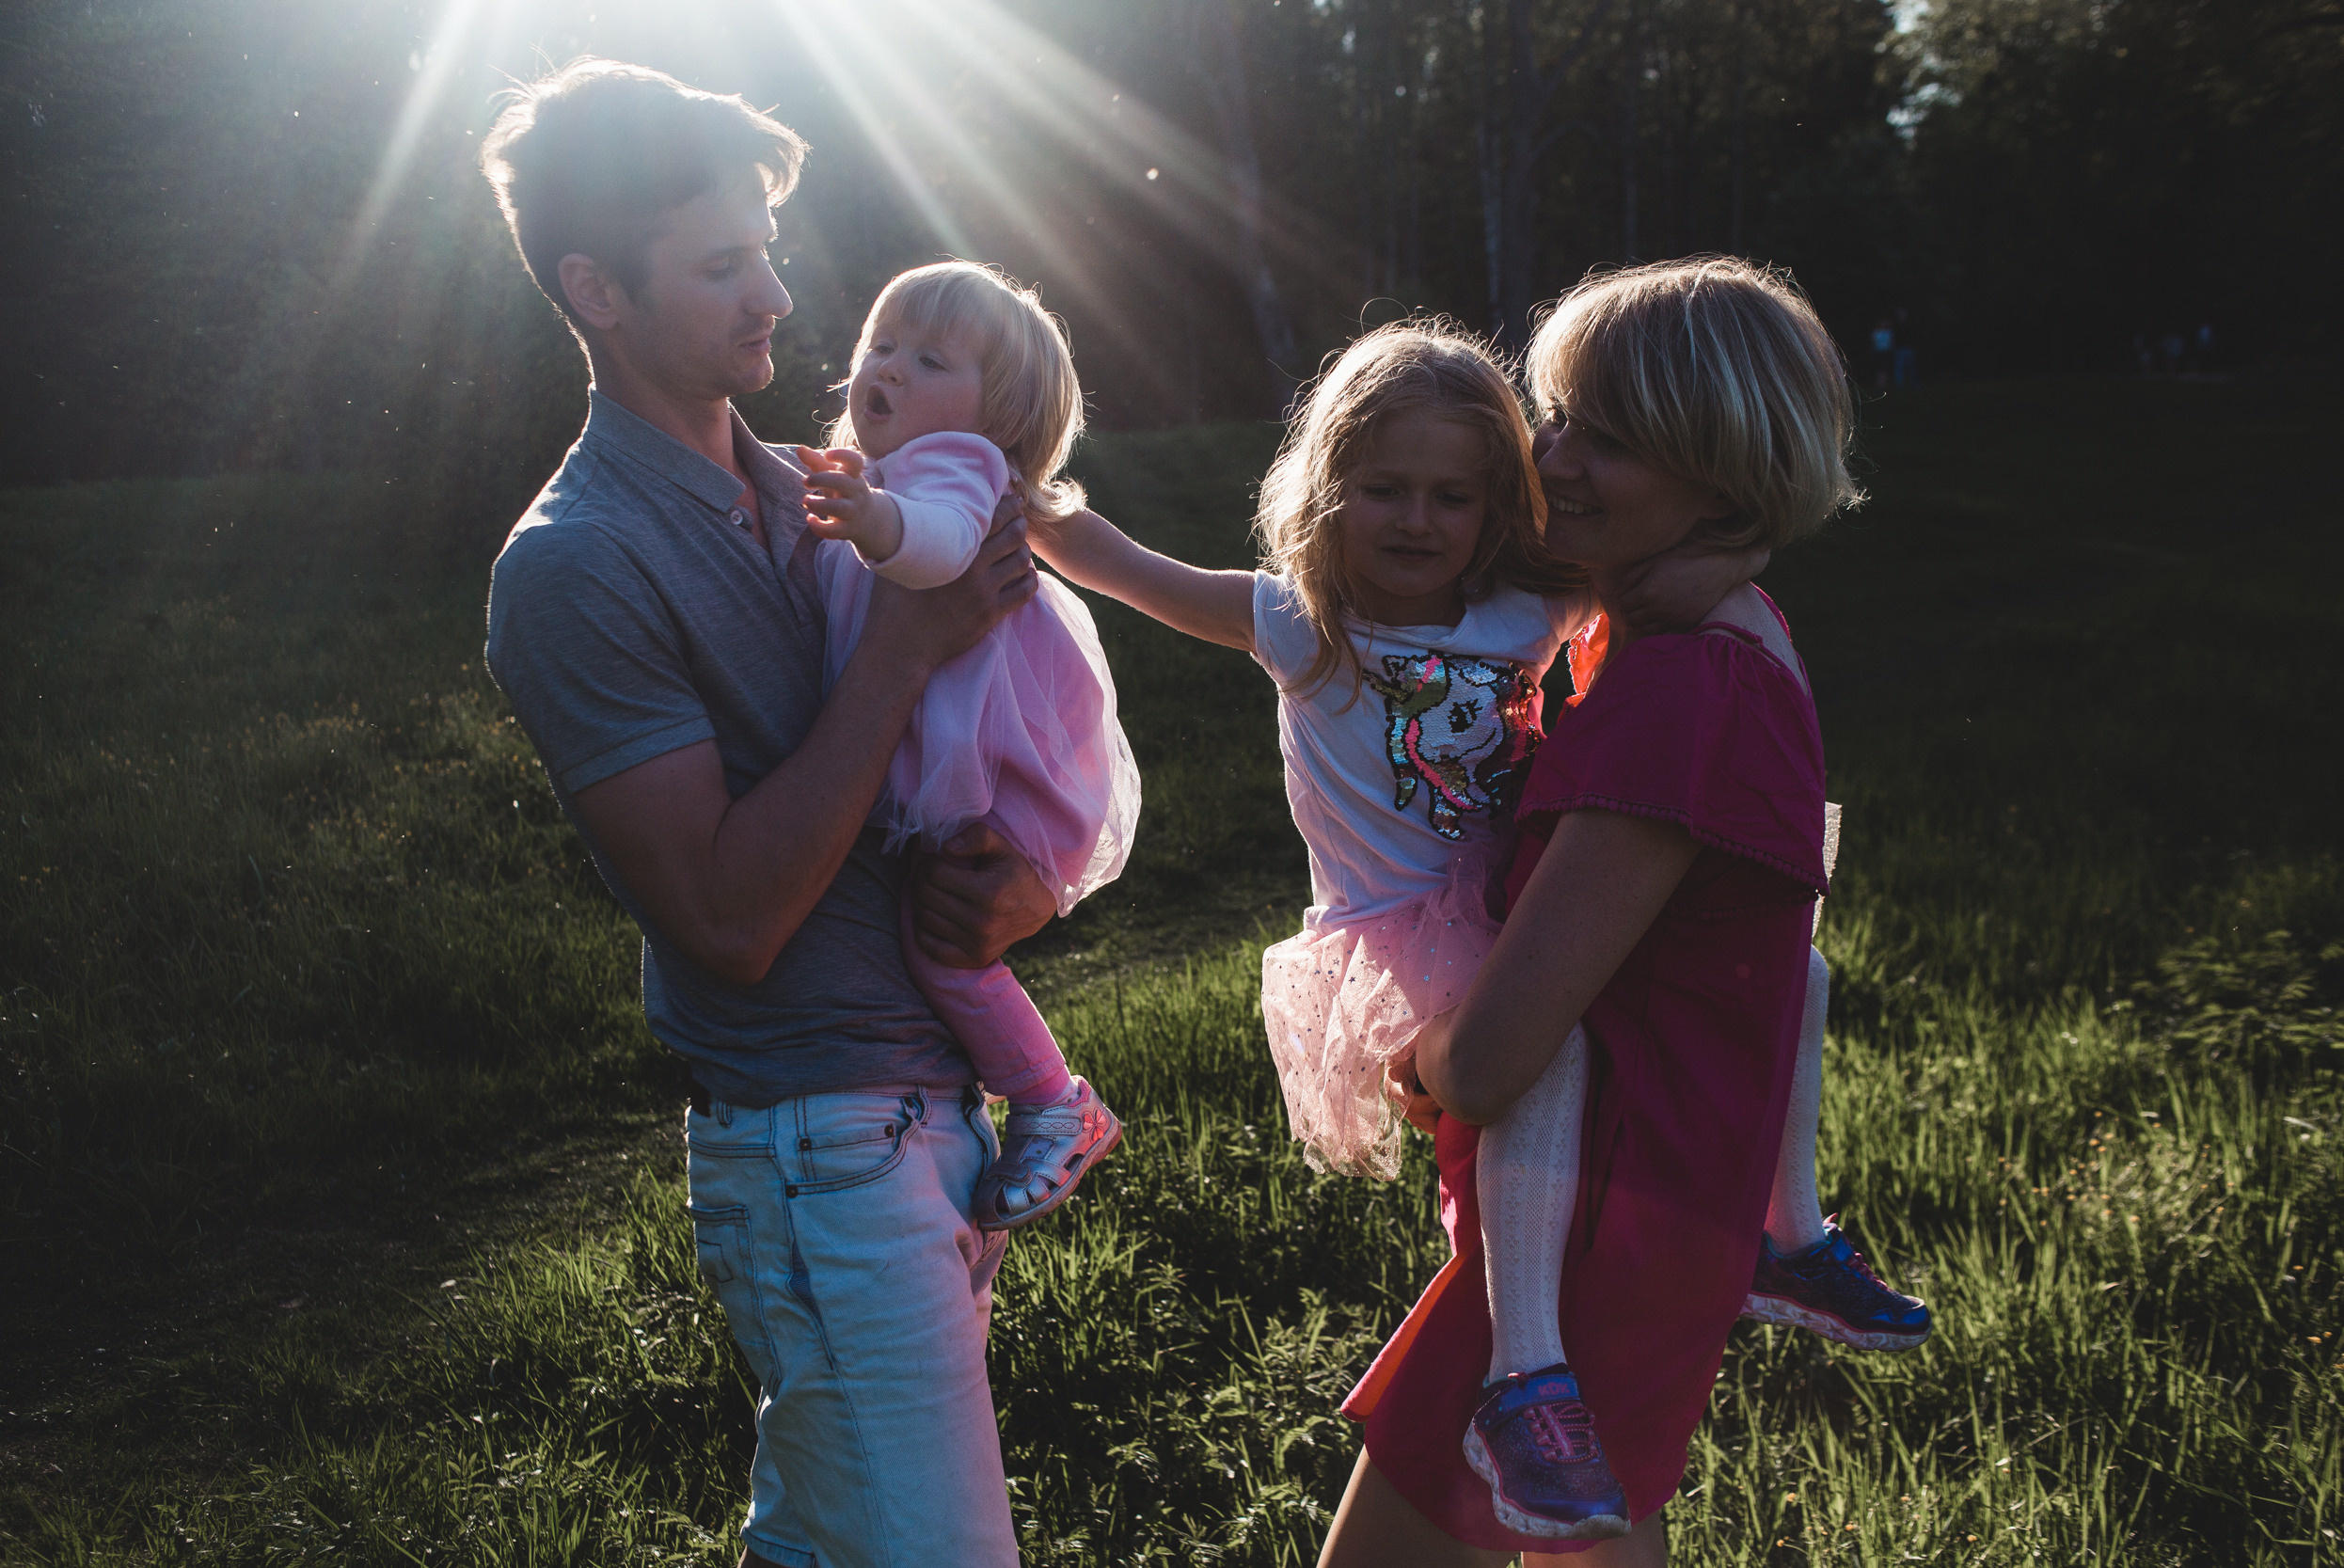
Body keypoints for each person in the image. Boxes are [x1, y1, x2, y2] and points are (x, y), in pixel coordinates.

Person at [1022, 320, 1766, 1539]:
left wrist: (1744, 530)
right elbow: (1124, 563)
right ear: (1331, 489)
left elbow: (1658, 573)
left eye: (1451, 494)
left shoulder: (1523, 605)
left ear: (1495, 505)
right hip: (1401, 940)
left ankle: (1766, 1238)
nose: (1417, 520)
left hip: (1521, 905)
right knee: (1537, 1078)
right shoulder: (1301, 626)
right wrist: (1016, 498)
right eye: (1384, 489)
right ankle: (1527, 1364)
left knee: (1630, 1077)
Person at [478, 60, 1056, 1568]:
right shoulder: (575, 564)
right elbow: (728, 920)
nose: (780, 300)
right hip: (815, 1147)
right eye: (725, 264)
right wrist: (903, 651)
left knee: (827, 1536)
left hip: (927, 1111)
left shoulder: (828, 494)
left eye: (770, 252)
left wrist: (1024, 889)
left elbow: (992, 751)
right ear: (596, 288)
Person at [1320, 258, 1919, 1567]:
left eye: (1607, 433)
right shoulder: (1735, 632)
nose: (1552, 455)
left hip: (1588, 1224)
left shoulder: (1681, 691)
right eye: (1557, 414)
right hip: (1658, 1212)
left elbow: (1492, 1059)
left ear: (1719, 469)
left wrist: (1407, 1054)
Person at [799, 260, 1137, 1228]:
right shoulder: (879, 473)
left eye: (929, 357)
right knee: (930, 935)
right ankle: (1020, 1097)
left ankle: (1050, 1101)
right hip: (942, 748)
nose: (890, 368)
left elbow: (942, 546)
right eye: (881, 344)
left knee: (944, 946)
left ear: (998, 419)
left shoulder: (955, 470)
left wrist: (871, 521)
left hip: (991, 768)